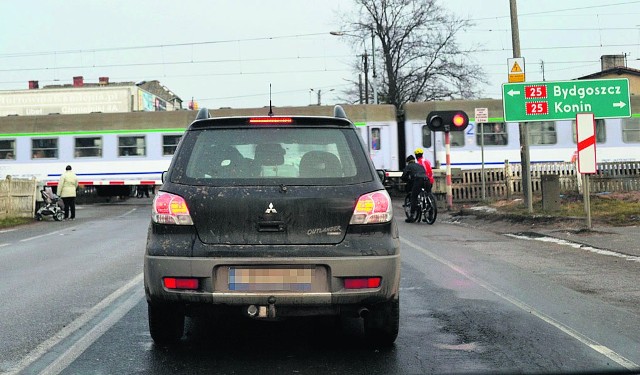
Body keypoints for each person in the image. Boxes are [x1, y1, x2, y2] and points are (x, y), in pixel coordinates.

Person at [401, 155, 428, 223]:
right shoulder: (420, 165)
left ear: (408, 162)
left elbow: (404, 176)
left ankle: (412, 216)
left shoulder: (409, 166)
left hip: (418, 180)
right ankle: (430, 215)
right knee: (428, 195)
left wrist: (405, 180)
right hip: (426, 180)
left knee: (414, 196)